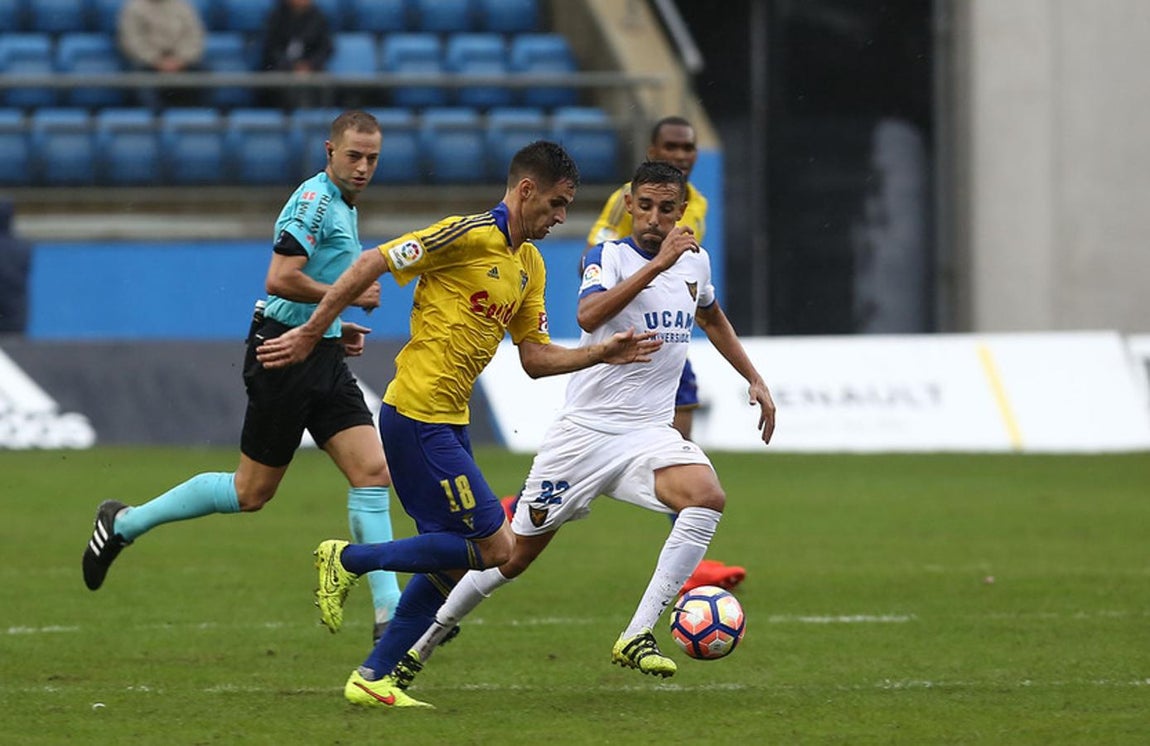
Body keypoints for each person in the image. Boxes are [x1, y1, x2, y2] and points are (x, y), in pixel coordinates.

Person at [254, 141, 663, 709]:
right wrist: (312, 330)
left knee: (449, 559)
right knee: (497, 546)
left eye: (566, 206)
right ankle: (348, 559)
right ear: (525, 191)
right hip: (416, 415)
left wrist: (602, 352)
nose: (561, 217)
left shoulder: (531, 265)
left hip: (451, 421)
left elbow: (535, 357)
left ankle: (375, 677)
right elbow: (373, 261)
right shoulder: (465, 234)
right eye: (555, 204)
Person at [354, 161, 776, 706]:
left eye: (665, 209)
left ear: (681, 212)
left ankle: (636, 634)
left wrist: (754, 377)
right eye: (644, 206)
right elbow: (589, 311)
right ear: (628, 204)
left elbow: (711, 315)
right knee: (510, 556)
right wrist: (657, 266)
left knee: (706, 498)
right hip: (583, 437)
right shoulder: (606, 256)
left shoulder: (695, 263)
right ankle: (421, 645)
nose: (653, 218)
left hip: (647, 433)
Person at [82, 110, 404, 644]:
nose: (364, 166)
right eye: (354, 155)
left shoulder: (345, 205)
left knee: (373, 471)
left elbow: (312, 281)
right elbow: (280, 279)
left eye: (372, 158)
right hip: (282, 356)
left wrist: (333, 326)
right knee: (251, 492)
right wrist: (341, 297)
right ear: (330, 151)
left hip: (318, 352)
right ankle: (122, 523)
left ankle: (389, 614)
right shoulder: (315, 200)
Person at [560, 115, 746, 593]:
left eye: (687, 148)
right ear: (653, 147)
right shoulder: (634, 196)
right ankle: (518, 509)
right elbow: (595, 252)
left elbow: (700, 289)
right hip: (629, 335)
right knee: (583, 466)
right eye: (671, 146)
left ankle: (685, 540)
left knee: (676, 436)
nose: (680, 154)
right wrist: (634, 277)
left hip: (671, 334)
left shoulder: (695, 202)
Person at [117, 0, 206, 108]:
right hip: (148, 64)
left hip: (181, 63)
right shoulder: (133, 8)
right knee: (140, 78)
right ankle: (155, 117)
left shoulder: (183, 6)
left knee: (205, 73)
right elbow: (131, 41)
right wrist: (156, 60)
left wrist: (180, 59)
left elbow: (195, 37)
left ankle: (195, 116)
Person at [259, 0, 334, 109]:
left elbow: (325, 47)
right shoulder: (277, 16)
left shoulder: (318, 17)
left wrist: (310, 65)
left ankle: (323, 114)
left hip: (311, 67)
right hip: (282, 67)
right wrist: (291, 66)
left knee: (325, 82)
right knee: (283, 83)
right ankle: (290, 116)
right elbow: (271, 48)